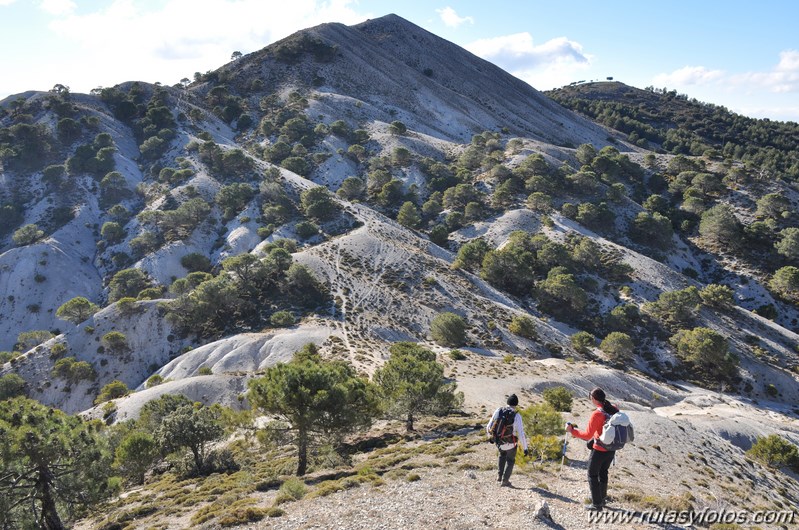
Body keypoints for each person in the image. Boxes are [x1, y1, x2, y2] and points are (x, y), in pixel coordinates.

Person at [566, 387, 619, 511]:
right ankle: (602, 498)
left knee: (592, 474)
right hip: (611, 449)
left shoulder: (597, 413)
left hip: (599, 449)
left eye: (590, 397)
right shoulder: (614, 409)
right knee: (603, 472)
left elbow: (587, 435)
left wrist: (572, 430)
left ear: (594, 399)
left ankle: (597, 504)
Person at [486, 393, 529, 487]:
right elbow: (521, 434)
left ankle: (499, 476)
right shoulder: (517, 416)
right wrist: (525, 448)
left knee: (502, 455)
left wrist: (490, 436)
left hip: (499, 442)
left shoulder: (498, 410)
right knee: (510, 461)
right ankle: (505, 481)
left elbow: (488, 426)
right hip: (511, 443)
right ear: (516, 404)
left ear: (507, 402)